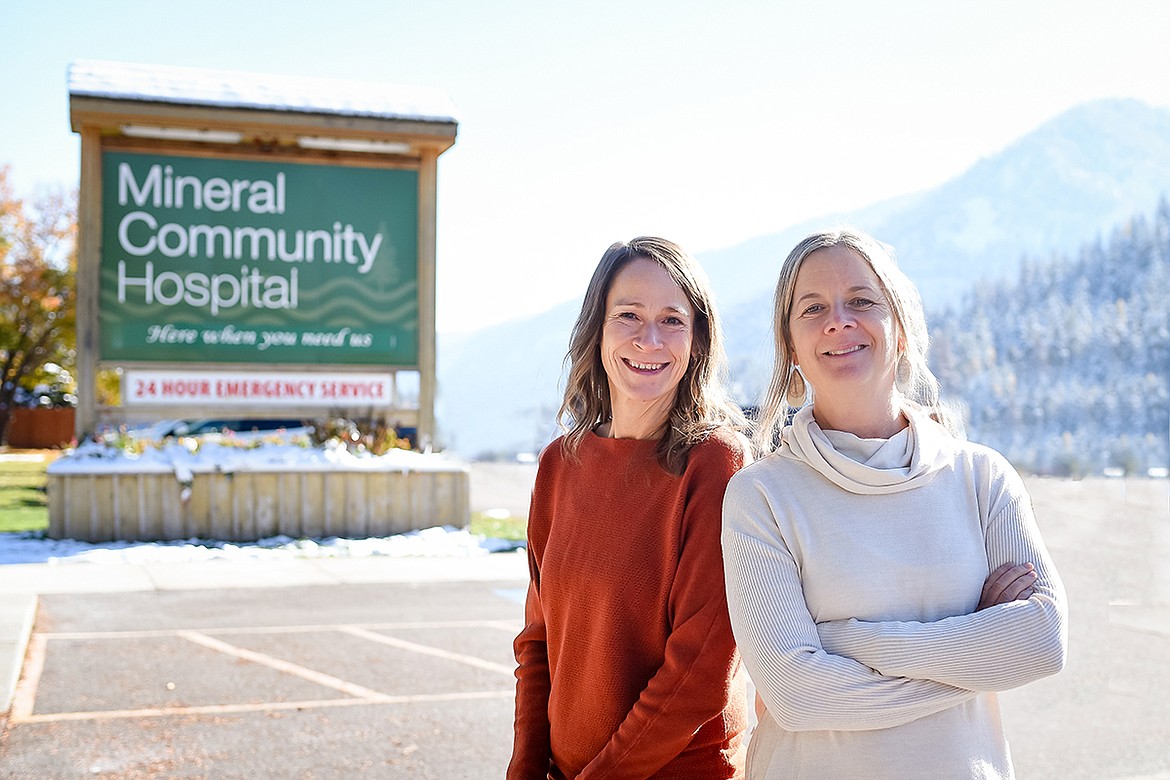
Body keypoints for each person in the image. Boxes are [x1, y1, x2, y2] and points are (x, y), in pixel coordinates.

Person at [721, 228, 1068, 779]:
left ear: (901, 328)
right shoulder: (761, 497)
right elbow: (797, 698)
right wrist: (975, 647)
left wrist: (850, 641)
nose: (839, 320)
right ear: (789, 346)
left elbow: (1042, 642)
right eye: (813, 308)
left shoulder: (981, 477)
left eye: (861, 301)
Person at [509, 237, 751, 779]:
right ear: (597, 329)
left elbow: (699, 674)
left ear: (697, 341)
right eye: (628, 315)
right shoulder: (558, 465)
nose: (649, 338)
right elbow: (538, 642)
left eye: (672, 319)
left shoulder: (716, 464)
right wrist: (524, 769)